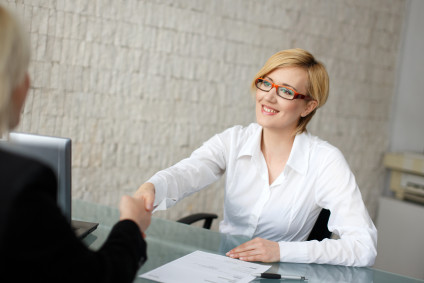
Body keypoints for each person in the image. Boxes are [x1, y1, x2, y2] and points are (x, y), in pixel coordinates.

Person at [135, 47, 378, 267]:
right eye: (266, 83)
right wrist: (153, 187)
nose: (268, 97)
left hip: (278, 274)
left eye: (285, 91)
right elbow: (189, 171)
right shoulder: (233, 140)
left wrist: (280, 251)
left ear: (308, 107)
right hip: (222, 267)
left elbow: (363, 247)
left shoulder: (325, 161)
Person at [0, 5, 151, 282]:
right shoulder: (23, 185)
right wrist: (131, 223)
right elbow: (97, 277)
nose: (29, 82)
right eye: (22, 69)